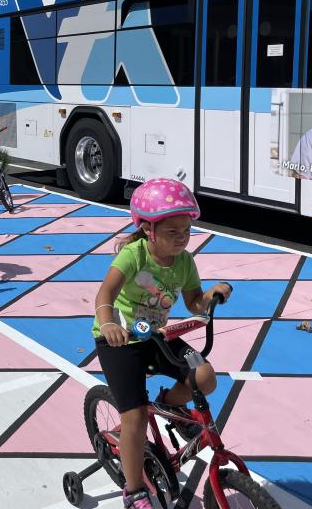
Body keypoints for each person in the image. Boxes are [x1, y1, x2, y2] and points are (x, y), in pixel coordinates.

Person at [92, 178, 232, 509]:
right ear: (149, 230)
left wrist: (210, 296)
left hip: (156, 336)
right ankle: (134, 489)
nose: (182, 238)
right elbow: (105, 293)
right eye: (173, 232)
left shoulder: (184, 261)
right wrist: (109, 322)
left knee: (205, 378)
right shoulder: (134, 255)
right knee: (135, 417)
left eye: (186, 230)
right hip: (121, 339)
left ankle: (169, 403)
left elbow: (194, 302)